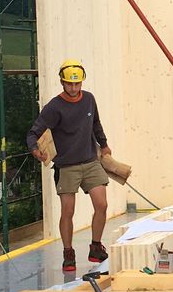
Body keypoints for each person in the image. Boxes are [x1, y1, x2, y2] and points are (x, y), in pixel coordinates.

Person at [28, 58, 113, 274]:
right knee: (68, 210)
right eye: (69, 84)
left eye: (77, 84)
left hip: (90, 161)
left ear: (82, 82)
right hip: (66, 166)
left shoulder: (89, 100)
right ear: (62, 82)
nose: (74, 88)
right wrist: (35, 149)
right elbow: (34, 132)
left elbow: (96, 124)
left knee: (101, 204)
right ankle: (68, 253)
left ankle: (95, 247)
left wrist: (103, 145)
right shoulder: (54, 107)